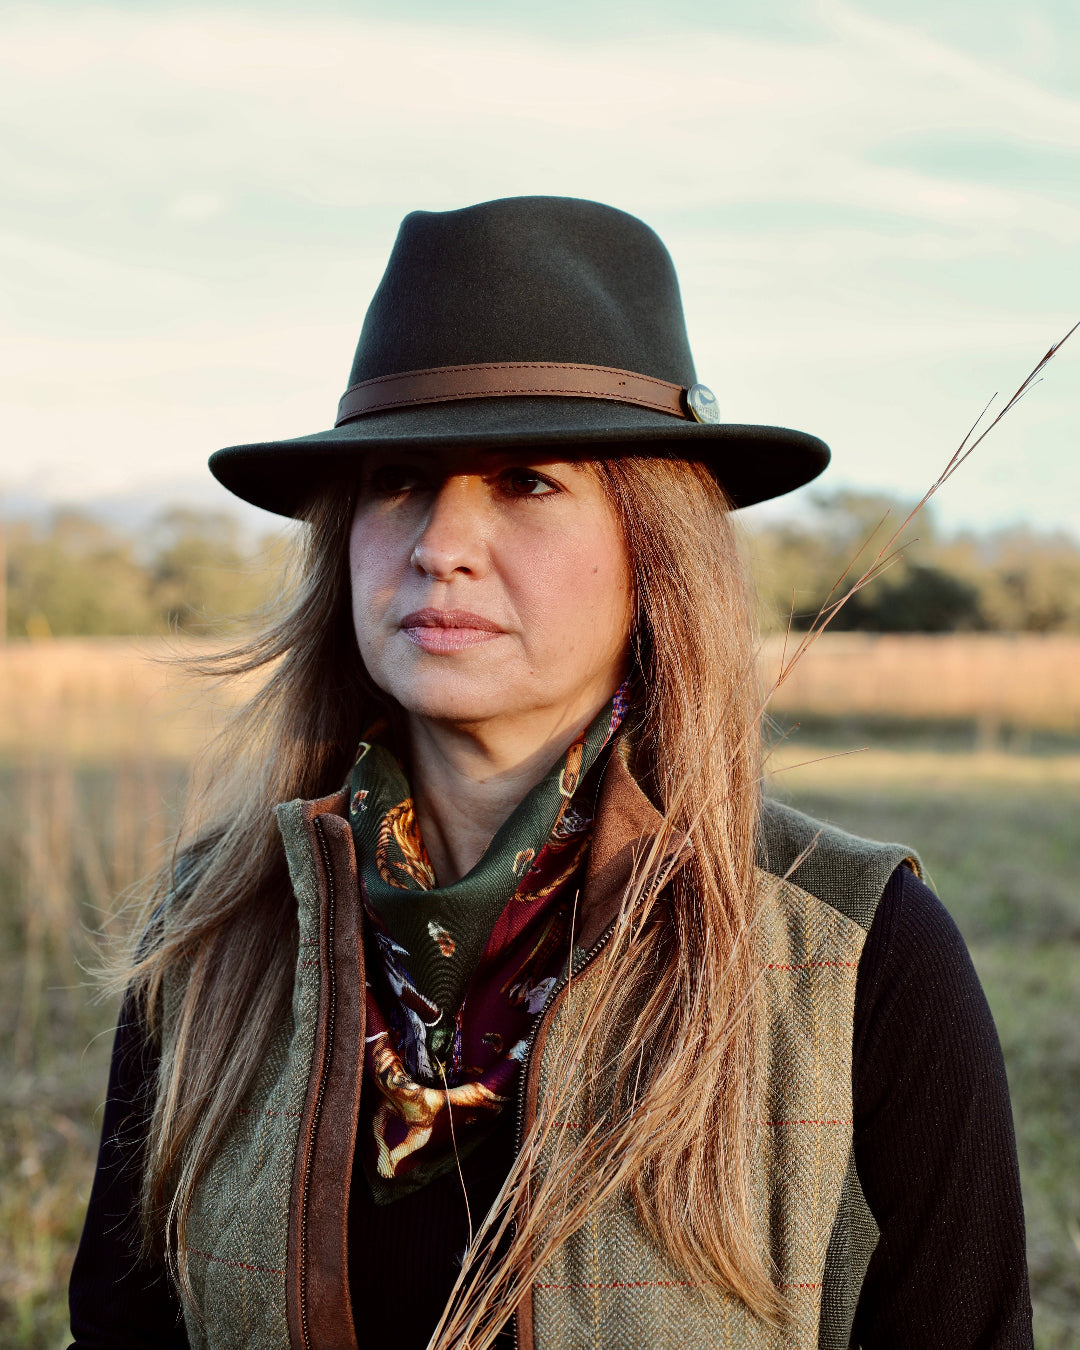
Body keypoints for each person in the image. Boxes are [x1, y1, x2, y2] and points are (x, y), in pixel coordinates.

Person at [69, 196, 1032, 1350]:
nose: (440, 542)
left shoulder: (854, 956)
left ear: (652, 546)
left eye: (525, 480)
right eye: (397, 483)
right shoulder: (210, 937)